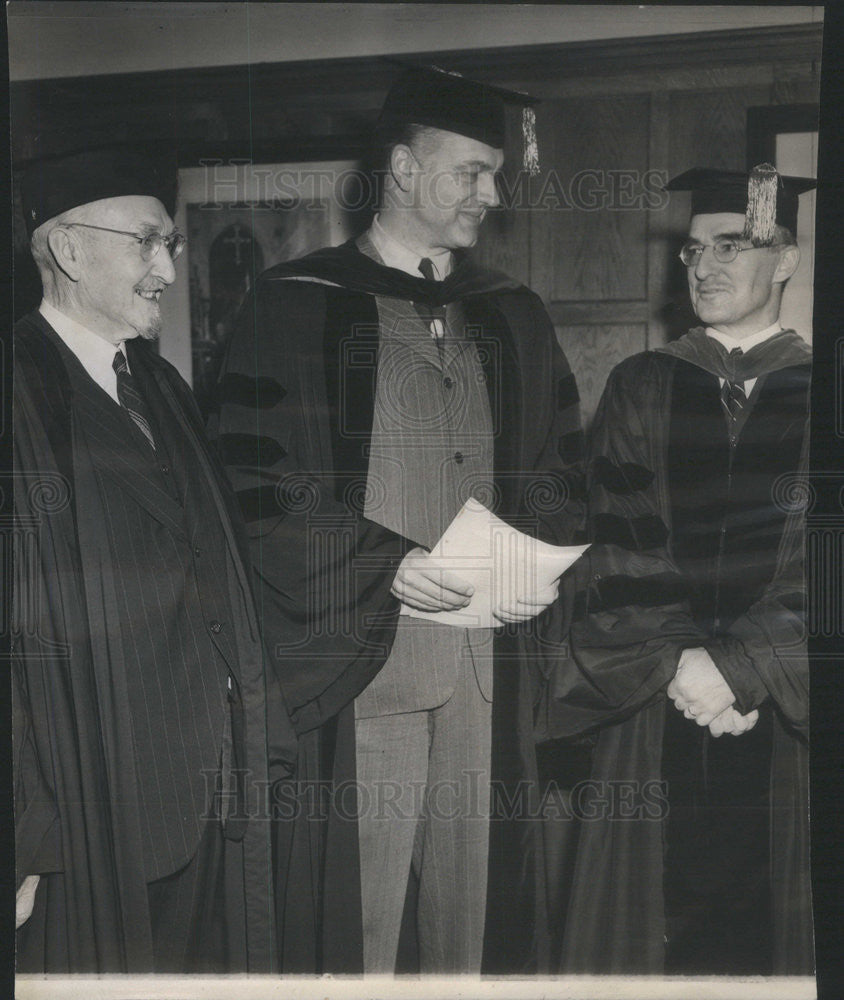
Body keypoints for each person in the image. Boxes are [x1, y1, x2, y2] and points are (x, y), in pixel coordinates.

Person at [211, 66, 585, 974]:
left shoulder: (513, 314)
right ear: (405, 170)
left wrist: (536, 559)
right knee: (362, 921)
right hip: (362, 662)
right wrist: (378, 560)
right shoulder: (294, 305)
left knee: (479, 924)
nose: (491, 195)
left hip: (490, 672)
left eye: (497, 173)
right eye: (470, 171)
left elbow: (562, 466)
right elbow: (249, 479)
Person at [13, 145, 297, 973]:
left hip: (207, 786)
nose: (168, 269)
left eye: (170, 244)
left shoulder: (161, 385)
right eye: (147, 242)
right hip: (88, 806)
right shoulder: (18, 393)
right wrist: (22, 836)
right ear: (69, 249)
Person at [539, 164, 814, 975]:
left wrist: (746, 667)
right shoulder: (643, 384)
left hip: (791, 710)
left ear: (787, 260)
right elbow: (616, 541)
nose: (704, 266)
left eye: (734, 245)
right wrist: (683, 664)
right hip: (659, 697)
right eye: (694, 249)